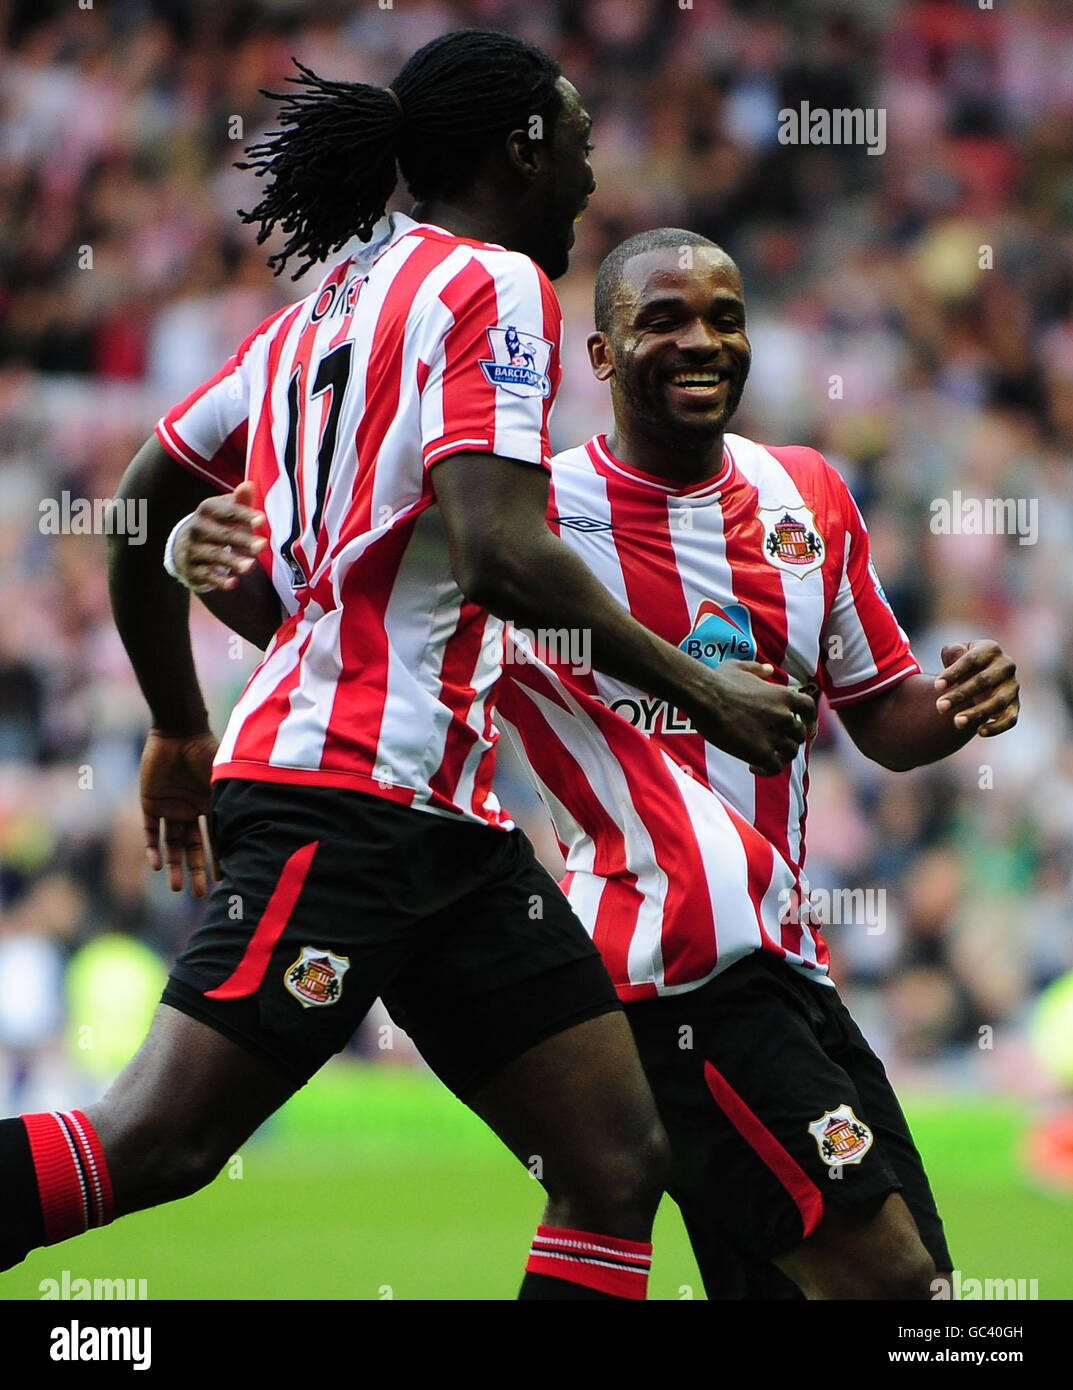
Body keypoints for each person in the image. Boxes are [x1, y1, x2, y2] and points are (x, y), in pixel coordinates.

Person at [0, 35, 815, 1300]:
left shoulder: (316, 307)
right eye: (581, 144)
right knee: (159, 1138)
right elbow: (499, 551)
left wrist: (176, 725)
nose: (593, 180)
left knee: (611, 1157)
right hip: (348, 797)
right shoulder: (491, 285)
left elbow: (143, 496)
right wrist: (706, 690)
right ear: (521, 149)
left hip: (443, 818)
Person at [174, 228, 1020, 1299]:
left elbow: (882, 717)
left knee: (883, 1286)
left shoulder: (806, 497)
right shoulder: (520, 522)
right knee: (894, 1288)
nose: (699, 341)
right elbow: (357, 639)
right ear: (602, 356)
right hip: (666, 966)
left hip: (784, 958)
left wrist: (954, 704)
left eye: (723, 316)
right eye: (660, 320)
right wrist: (223, 580)